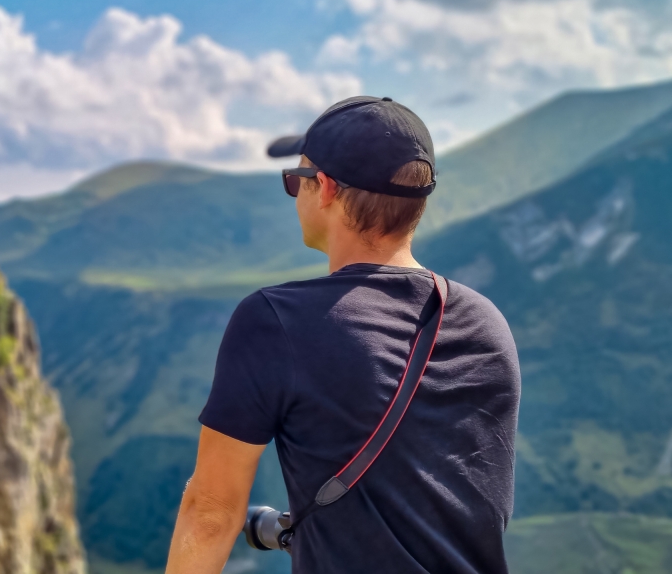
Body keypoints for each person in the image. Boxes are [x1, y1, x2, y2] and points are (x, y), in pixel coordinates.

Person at [163, 96, 521, 574]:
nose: (297, 192)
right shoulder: (486, 323)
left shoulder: (275, 321)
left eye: (297, 180)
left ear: (325, 189)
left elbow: (210, 514)